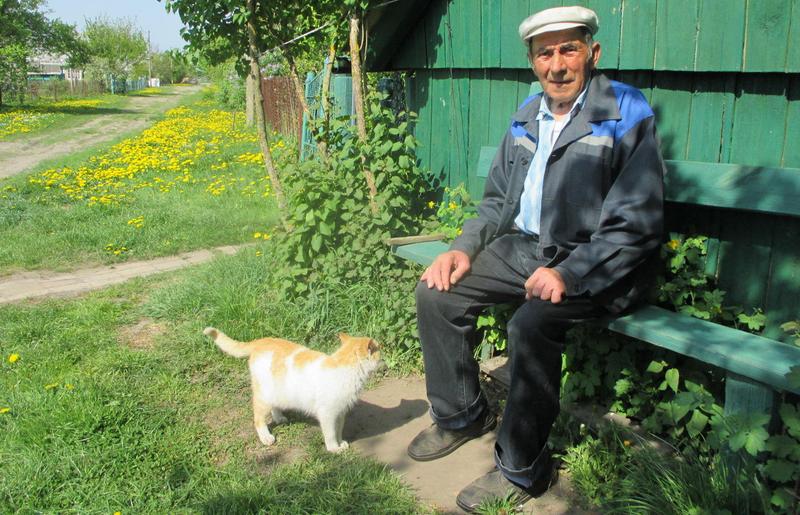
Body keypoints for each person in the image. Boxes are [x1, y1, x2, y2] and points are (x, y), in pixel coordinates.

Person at [407, 5, 665, 512]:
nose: (557, 64)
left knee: (530, 324)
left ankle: (524, 468)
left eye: (569, 49)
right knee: (437, 291)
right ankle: (461, 415)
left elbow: (636, 223)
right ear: (532, 61)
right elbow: (498, 201)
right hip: (529, 248)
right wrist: (462, 249)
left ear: (592, 53)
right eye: (544, 53)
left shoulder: (625, 110)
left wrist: (570, 270)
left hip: (602, 264)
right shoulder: (528, 113)